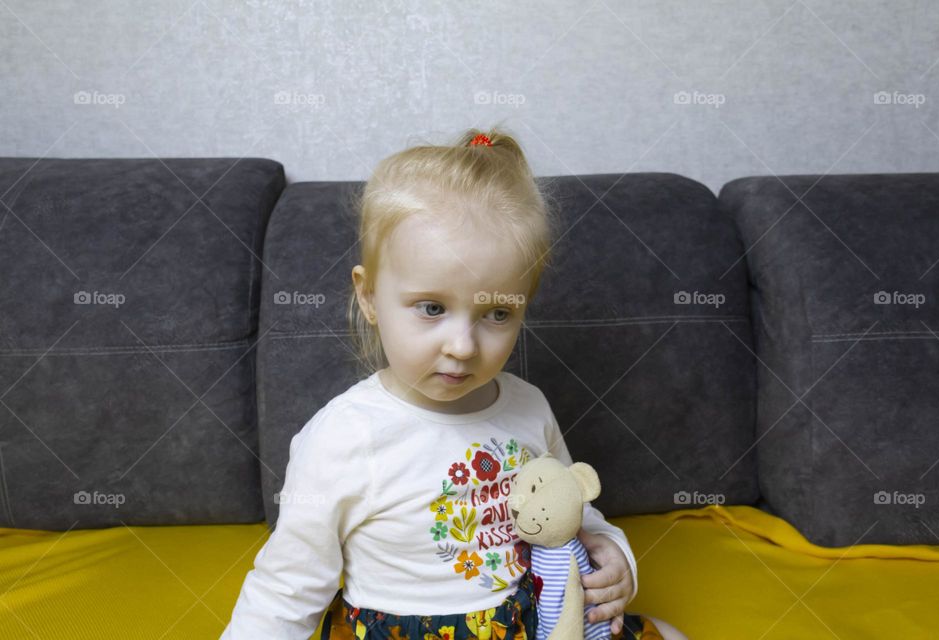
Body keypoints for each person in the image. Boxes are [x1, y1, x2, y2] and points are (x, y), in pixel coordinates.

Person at [221, 128, 687, 640]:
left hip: (531, 621)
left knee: (668, 633)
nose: (463, 346)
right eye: (432, 308)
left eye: (497, 313)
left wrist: (612, 552)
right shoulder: (344, 437)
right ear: (369, 296)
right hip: (408, 632)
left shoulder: (528, 406)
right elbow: (286, 589)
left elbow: (567, 508)